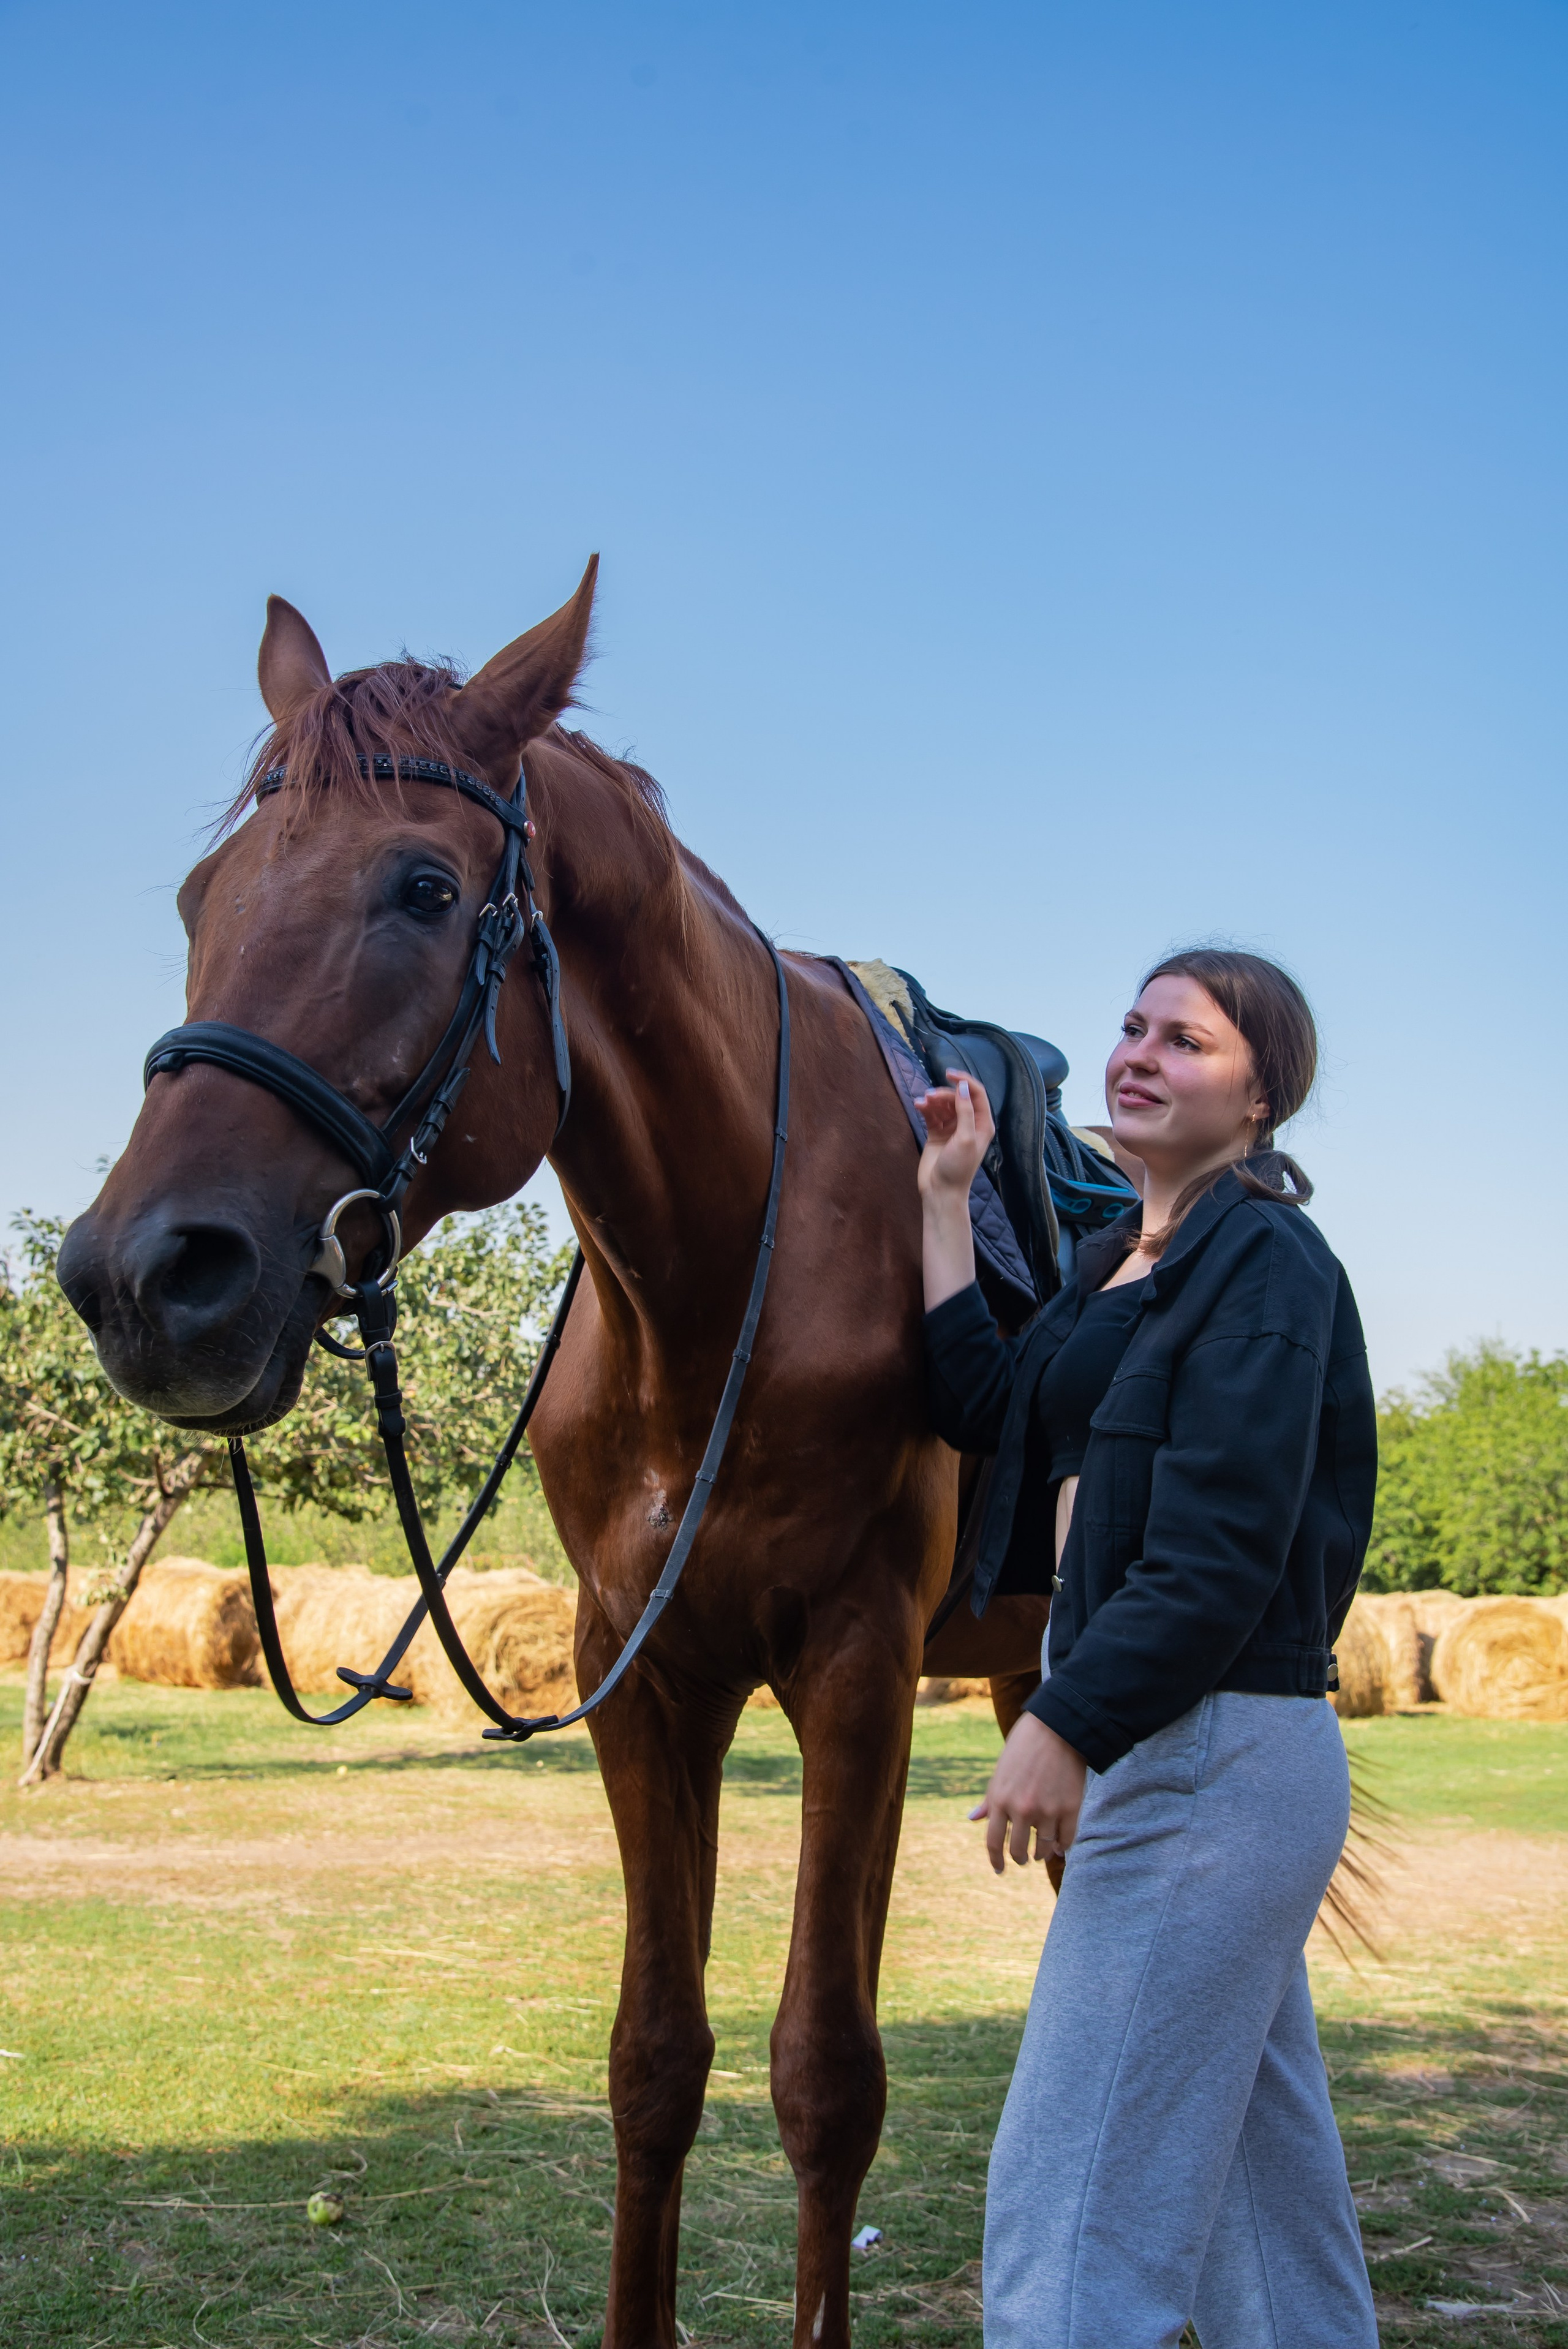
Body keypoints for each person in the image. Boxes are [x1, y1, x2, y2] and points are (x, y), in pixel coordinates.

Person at [914, 947, 1378, 2349]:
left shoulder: (1266, 1264)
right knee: (1260, 2212)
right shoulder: (1115, 1264)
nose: (1136, 1054)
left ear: (1259, 1095)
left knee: (1071, 2215)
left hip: (1210, 1750)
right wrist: (944, 1199)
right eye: (1131, 1027)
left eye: (1185, 1040)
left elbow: (1221, 1548)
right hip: (1181, 1752)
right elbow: (985, 1405)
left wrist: (1061, 1716)